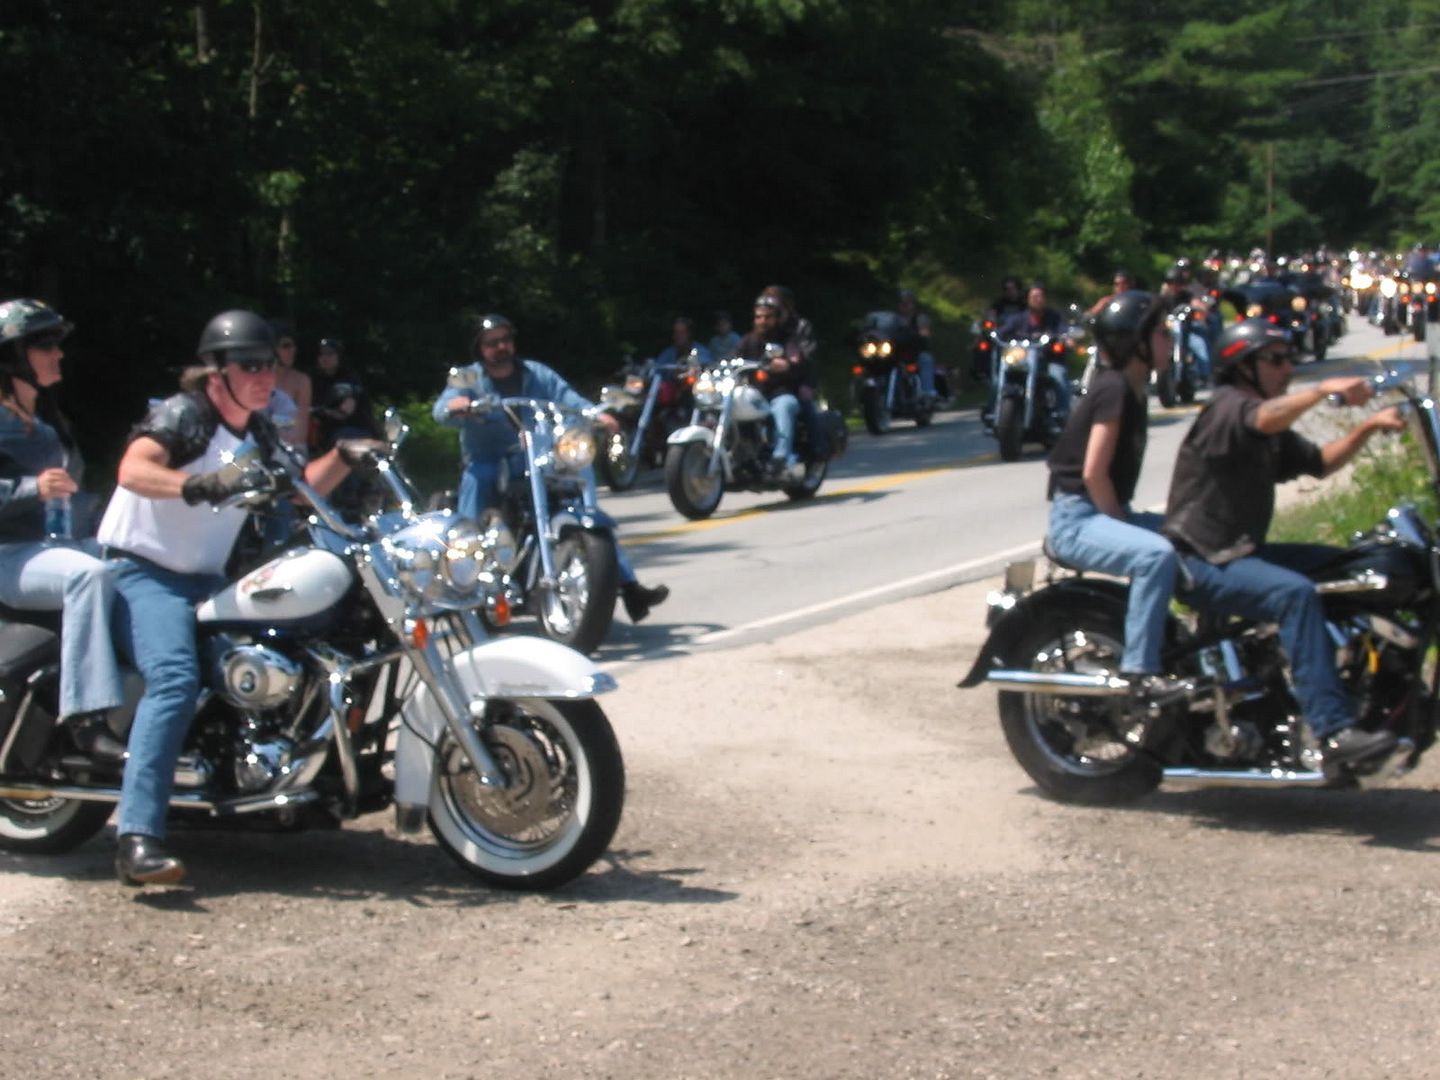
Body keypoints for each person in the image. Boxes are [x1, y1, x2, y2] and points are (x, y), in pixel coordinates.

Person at [98, 310, 368, 885]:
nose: (264, 375)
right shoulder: (185, 415)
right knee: (174, 680)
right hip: (142, 572)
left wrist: (348, 455)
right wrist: (199, 484)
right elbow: (132, 469)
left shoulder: (259, 431)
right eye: (250, 365)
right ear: (216, 372)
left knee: (271, 665)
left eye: (268, 364)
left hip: (205, 580)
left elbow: (300, 491)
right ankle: (137, 837)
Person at [1161, 317, 1408, 768]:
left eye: (1289, 359)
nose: (1287, 368)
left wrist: (1370, 426)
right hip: (1200, 558)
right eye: (1275, 360)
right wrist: (1321, 391)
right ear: (1243, 367)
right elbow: (1261, 418)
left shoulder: (1266, 426)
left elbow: (1320, 463)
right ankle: (1333, 732)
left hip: (1239, 552)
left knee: (1356, 568)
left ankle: (1371, 690)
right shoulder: (1228, 409)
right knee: (1294, 595)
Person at [431, 314, 669, 623]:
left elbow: (569, 399)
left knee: (581, 504)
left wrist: (596, 415)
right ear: (479, 348)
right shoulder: (469, 378)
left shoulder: (536, 373)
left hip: (535, 456)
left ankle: (628, 585)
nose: (502, 347)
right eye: (493, 343)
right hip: (489, 458)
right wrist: (456, 407)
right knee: (479, 482)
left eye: (506, 339)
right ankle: (462, 580)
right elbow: (443, 409)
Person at [0, 299, 125, 760]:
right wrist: (31, 489)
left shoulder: (48, 420)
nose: (59, 354)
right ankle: (85, 717)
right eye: (45, 345)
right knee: (87, 577)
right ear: (12, 355)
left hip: (53, 545)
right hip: (9, 553)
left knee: (135, 560)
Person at [1045, 291, 1177, 690]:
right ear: (1136, 342)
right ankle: (1140, 671)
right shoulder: (1114, 389)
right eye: (1161, 332)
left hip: (1098, 510)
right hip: (1078, 519)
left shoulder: (1134, 389)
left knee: (1195, 536)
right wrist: (1124, 524)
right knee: (1155, 556)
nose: (1170, 338)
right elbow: (1093, 473)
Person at [736, 293, 810, 479]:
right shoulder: (748, 340)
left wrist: (787, 364)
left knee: (783, 407)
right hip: (755, 394)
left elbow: (798, 362)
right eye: (758, 317)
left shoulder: (787, 339)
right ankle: (738, 455)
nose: (762, 321)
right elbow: (730, 357)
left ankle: (780, 458)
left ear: (776, 318)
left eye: (767, 317)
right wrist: (705, 367)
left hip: (781, 393)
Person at [998, 282, 1073, 422]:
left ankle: (1062, 417)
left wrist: (1067, 338)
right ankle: (995, 413)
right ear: (1027, 299)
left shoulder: (1055, 317)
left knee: (1059, 376)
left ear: (1045, 298)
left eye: (1040, 296)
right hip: (1023, 361)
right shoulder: (1018, 318)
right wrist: (993, 335)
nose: (1037, 299)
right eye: (1034, 296)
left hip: (1049, 359)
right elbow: (1002, 331)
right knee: (999, 379)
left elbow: (1064, 331)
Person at [310, 337, 377, 453]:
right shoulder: (314, 380)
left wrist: (322, 411)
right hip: (325, 434)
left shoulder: (349, 379)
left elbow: (345, 411)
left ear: (339, 357)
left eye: (330, 354)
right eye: (321, 354)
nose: (324, 358)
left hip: (353, 430)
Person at [269, 320, 310, 449]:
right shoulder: (255, 379)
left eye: (293, 345)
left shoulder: (301, 381)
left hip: (291, 447)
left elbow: (301, 430)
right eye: (286, 346)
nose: (293, 350)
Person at [895, 288, 939, 400]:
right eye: (902, 302)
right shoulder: (893, 319)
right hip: (895, 353)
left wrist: (921, 333)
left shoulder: (919, 318)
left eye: (908, 302)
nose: (905, 305)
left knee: (926, 359)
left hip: (914, 353)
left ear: (913, 304)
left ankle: (927, 392)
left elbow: (925, 332)